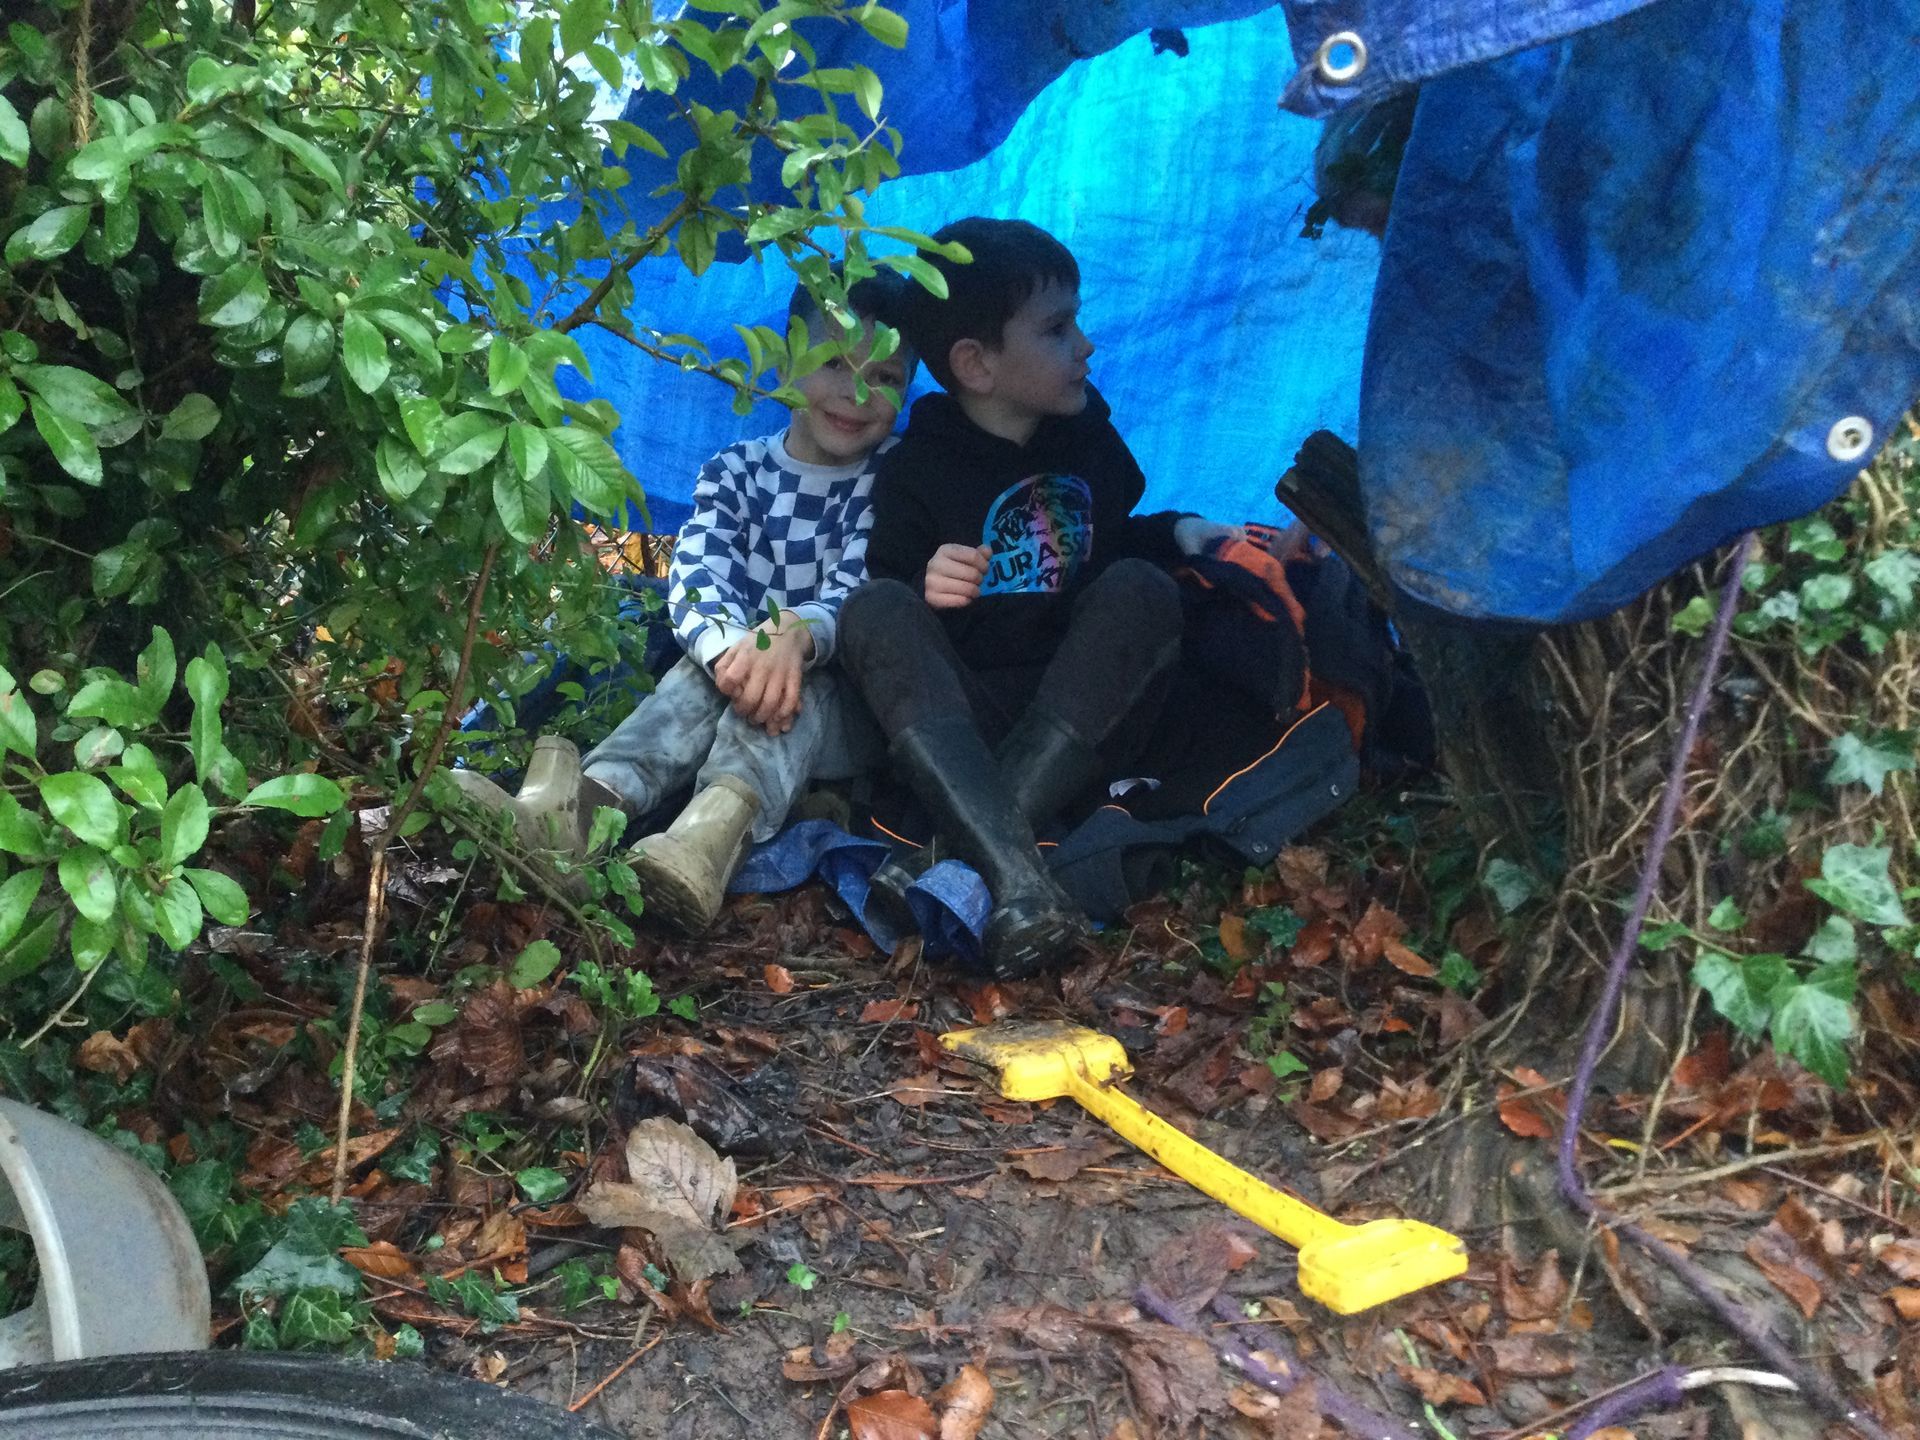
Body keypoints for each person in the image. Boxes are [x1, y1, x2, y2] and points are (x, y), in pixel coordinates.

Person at [446, 272, 915, 932]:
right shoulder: (735, 471)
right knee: (695, 676)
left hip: (844, 709)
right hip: (732, 674)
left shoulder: (894, 476)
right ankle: (581, 815)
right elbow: (697, 576)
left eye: (886, 377)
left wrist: (794, 636)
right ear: (784, 360)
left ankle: (707, 845)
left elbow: (863, 583)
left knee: (791, 690)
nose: (857, 393)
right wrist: (731, 652)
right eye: (834, 363)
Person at [837, 218, 1237, 978]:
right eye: (1057, 329)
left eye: (1076, 322)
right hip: (968, 728)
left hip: (1084, 713)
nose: (1085, 345)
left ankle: (954, 855)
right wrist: (924, 585)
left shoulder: (1089, 440)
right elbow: (897, 624)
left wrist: (1178, 529)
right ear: (976, 364)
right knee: (873, 609)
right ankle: (1019, 880)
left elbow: (1114, 548)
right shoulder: (919, 469)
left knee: (1142, 586)